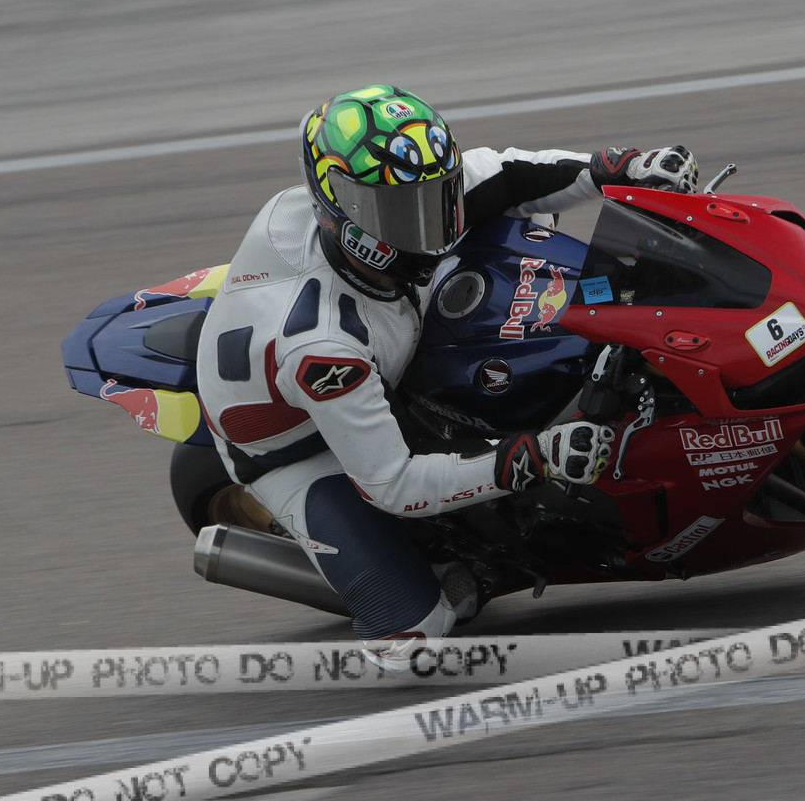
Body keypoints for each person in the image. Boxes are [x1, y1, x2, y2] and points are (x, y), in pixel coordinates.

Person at [195, 85, 699, 666]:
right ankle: (455, 570)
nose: (430, 227)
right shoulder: (324, 347)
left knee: (522, 224)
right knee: (413, 640)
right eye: (399, 213)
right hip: (298, 443)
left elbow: (507, 172)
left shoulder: (395, 209)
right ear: (339, 214)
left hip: (388, 331)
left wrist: (618, 167)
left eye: (437, 197)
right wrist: (533, 458)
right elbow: (393, 483)